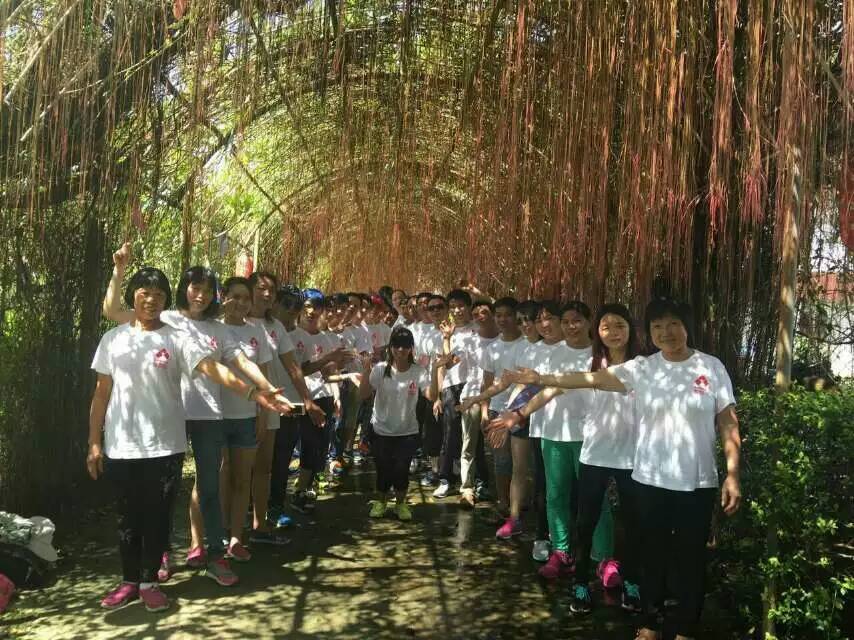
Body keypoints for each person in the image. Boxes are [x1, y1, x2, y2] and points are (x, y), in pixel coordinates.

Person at [501, 298, 742, 640]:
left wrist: (732, 473)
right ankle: (650, 622)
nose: (666, 332)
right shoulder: (643, 368)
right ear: (650, 331)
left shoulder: (711, 366)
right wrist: (539, 378)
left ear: (687, 327)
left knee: (690, 557)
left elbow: (728, 420)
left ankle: (686, 628)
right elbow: (591, 378)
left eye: (673, 324)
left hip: (697, 481)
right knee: (650, 552)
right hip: (649, 478)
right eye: (658, 326)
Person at [88, 267, 290, 611]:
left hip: (177, 434)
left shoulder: (186, 335)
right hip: (131, 439)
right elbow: (101, 390)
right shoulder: (122, 335)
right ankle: (136, 575)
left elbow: (219, 367)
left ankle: (166, 573)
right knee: (130, 513)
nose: (151, 300)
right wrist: (94, 442)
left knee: (174, 502)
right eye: (145, 293)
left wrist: (257, 392)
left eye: (158, 295)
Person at [359, 327, 439, 520]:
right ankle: (381, 502)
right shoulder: (380, 369)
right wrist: (366, 369)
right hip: (381, 430)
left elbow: (431, 395)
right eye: (396, 345)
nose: (400, 350)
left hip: (407, 431)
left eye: (405, 346)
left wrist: (436, 369)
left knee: (402, 469)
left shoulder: (418, 371)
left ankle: (400, 504)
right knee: (383, 469)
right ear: (390, 347)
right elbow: (364, 394)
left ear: (411, 348)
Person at [455, 299, 499, 507]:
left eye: (484, 312)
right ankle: (467, 489)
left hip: (499, 398)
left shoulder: (503, 339)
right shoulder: (469, 341)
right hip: (472, 395)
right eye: (475, 315)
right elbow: (459, 367)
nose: (480, 317)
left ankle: (503, 493)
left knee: (499, 449)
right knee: (469, 444)